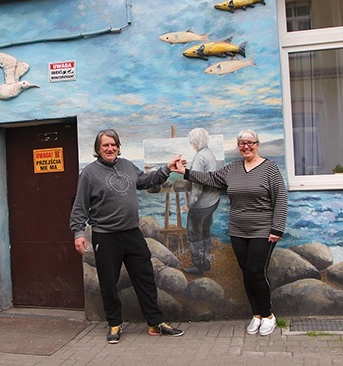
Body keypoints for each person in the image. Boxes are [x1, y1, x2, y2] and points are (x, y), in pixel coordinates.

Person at [70, 129, 185, 344]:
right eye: (105, 145)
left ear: (118, 146)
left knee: (145, 278)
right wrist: (78, 232)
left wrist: (167, 169)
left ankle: (154, 323)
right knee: (108, 282)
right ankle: (114, 324)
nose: (110, 148)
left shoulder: (127, 165)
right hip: (105, 236)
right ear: (98, 148)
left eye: (113, 144)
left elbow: (145, 181)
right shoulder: (89, 173)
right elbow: (80, 206)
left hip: (132, 233)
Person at [172, 129, 287, 336]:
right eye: (242, 143)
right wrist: (185, 172)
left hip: (263, 230)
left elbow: (281, 199)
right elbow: (210, 178)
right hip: (238, 230)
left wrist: (277, 228)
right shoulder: (233, 169)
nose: (246, 147)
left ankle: (268, 314)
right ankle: (256, 315)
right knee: (246, 271)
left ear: (257, 144)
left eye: (250, 143)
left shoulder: (270, 169)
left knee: (256, 271)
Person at [182, 128, 220, 275]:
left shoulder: (199, 157)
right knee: (205, 232)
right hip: (213, 201)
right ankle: (206, 261)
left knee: (194, 234)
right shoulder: (209, 153)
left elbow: (197, 187)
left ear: (196, 141)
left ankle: (197, 266)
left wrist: (189, 205)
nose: (191, 143)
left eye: (192, 140)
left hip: (202, 204)